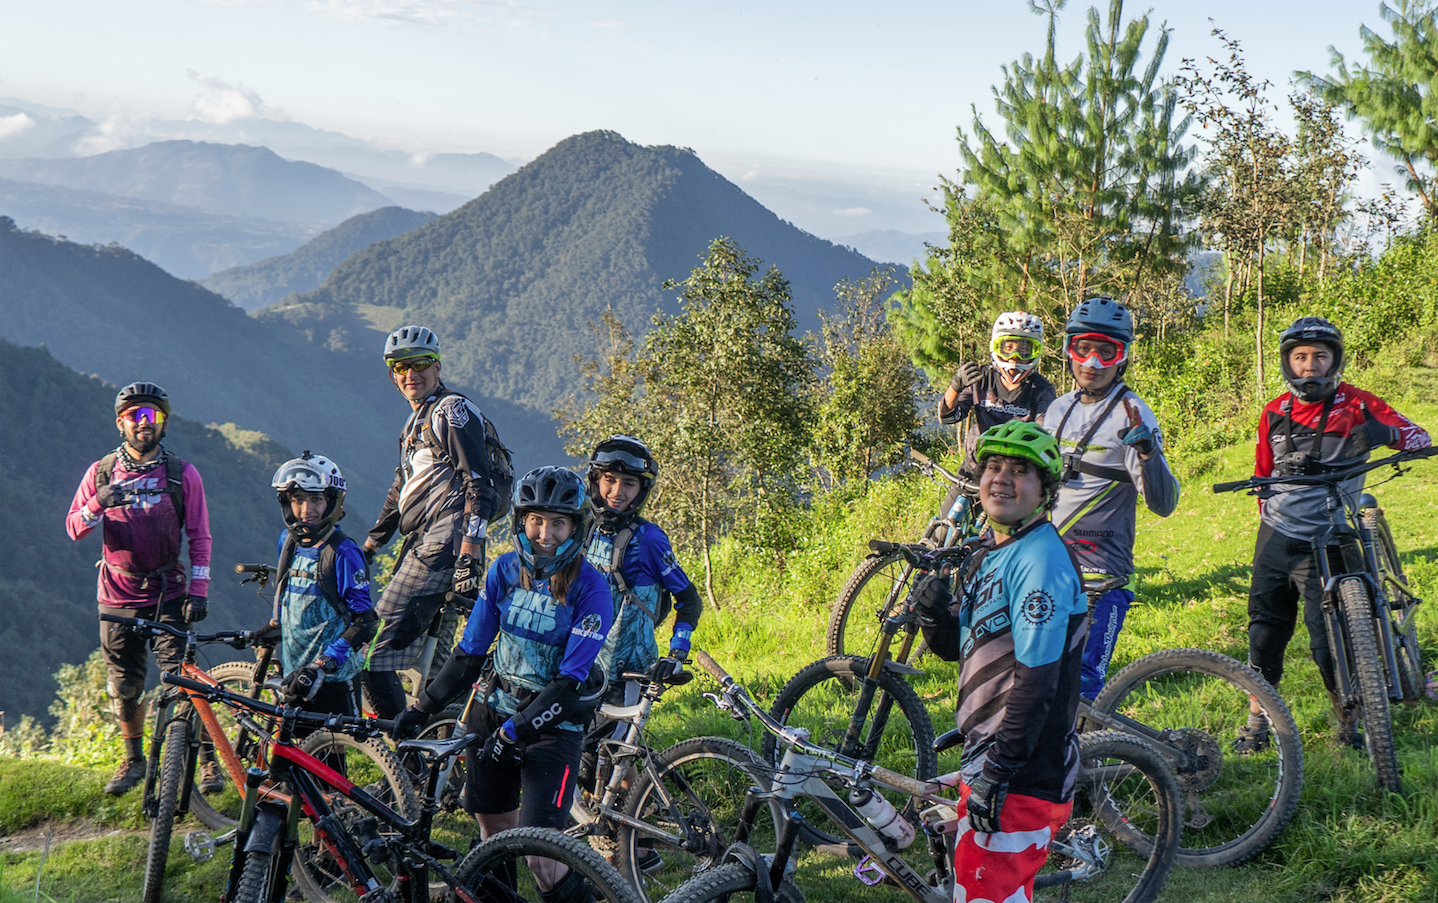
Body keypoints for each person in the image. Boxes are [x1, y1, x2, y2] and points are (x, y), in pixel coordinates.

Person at [393, 467, 611, 902]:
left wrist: (514, 733)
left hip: (553, 729)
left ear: (576, 527)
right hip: (492, 712)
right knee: (494, 841)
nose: (545, 533)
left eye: (557, 522)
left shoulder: (592, 589)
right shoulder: (505, 570)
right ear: (521, 522)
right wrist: (422, 708)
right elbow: (470, 652)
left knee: (542, 859)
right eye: (536, 520)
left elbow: (569, 683)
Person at [913, 421, 1087, 903]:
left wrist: (999, 774)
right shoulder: (992, 552)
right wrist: (933, 615)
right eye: (993, 467)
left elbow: (1037, 682)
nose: (1001, 479)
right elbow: (959, 648)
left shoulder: (1041, 562)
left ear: (1044, 490)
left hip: (1022, 775)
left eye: (1019, 471)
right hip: (992, 759)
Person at [1240, 316, 1430, 751]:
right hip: (1277, 535)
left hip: (1331, 535)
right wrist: (1268, 509)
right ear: (1288, 363)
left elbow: (1419, 437)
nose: (1310, 366)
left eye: (1320, 357)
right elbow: (1261, 477)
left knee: (1330, 640)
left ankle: (1349, 720)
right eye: (1301, 357)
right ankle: (1257, 721)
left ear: (1334, 361)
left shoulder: (1358, 403)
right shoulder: (1273, 412)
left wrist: (1386, 433)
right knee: (1264, 634)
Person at [66, 382, 213, 796]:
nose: (144, 423)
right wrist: (98, 502)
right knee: (124, 684)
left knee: (183, 681)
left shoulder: (182, 474)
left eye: (152, 415)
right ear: (121, 423)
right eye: (135, 416)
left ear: (164, 422)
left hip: (169, 592)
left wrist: (199, 589)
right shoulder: (101, 472)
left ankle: (205, 761)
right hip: (117, 594)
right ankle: (132, 760)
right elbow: (74, 528)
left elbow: (200, 535)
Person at [361, 326, 512, 719]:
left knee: (369, 651)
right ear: (393, 375)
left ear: (438, 366)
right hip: (432, 544)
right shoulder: (417, 422)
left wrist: (468, 554)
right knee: (434, 669)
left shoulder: (450, 411)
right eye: (400, 366)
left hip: (443, 548)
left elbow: (479, 484)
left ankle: (400, 750)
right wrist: (372, 545)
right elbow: (401, 488)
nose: (410, 373)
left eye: (421, 363)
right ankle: (445, 750)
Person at [1043, 297, 1180, 699]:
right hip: (1050, 568)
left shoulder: (1133, 412)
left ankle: (1091, 759)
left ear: (1123, 358)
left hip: (1103, 578)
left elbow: (1164, 504)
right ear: (1069, 350)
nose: (1093, 362)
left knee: (1084, 689)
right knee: (1038, 680)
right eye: (1082, 349)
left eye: (1107, 352)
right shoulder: (1056, 410)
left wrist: (1148, 455)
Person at [267, 452, 378, 725]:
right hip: (295, 678)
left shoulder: (343, 552)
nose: (306, 510)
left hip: (333, 678)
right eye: (298, 500)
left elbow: (364, 623)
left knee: (332, 759)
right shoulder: (288, 541)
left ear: (332, 501)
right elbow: (288, 598)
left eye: (316, 499)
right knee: (293, 756)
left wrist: (324, 664)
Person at [938, 310, 1057, 478]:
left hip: (1014, 477)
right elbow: (949, 417)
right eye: (1008, 348)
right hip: (973, 470)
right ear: (995, 346)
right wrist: (955, 386)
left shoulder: (1042, 390)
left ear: (1036, 352)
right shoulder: (980, 378)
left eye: (1024, 351)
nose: (1014, 358)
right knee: (952, 506)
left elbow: (1046, 438)